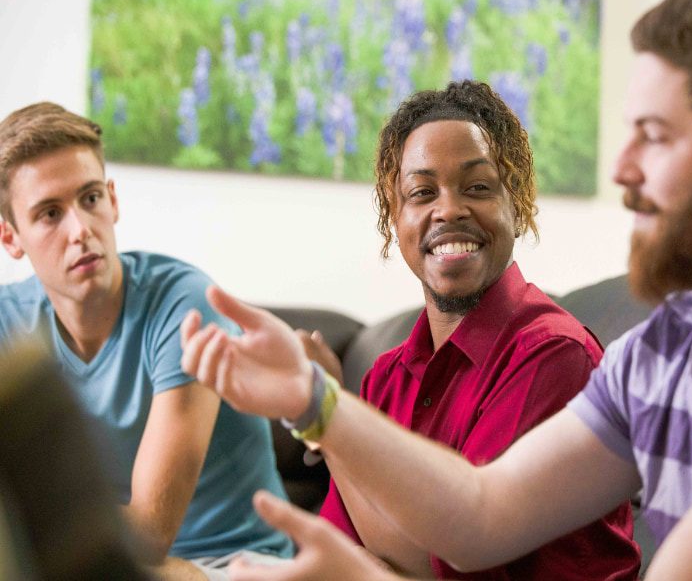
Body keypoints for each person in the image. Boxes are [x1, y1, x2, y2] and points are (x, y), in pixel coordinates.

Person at [182, 0, 692, 579]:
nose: (620, 168)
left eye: (655, 137)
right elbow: (483, 514)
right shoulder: (660, 352)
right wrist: (313, 400)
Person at [196, 80, 640, 580]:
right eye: (422, 192)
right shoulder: (385, 378)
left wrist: (322, 409)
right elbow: (340, 554)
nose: (447, 209)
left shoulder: (555, 356)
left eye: (477, 187)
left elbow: (448, 555)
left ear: (517, 204)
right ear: (395, 219)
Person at [0, 103, 293, 580]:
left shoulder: (185, 306)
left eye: (90, 198)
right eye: (50, 214)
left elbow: (149, 537)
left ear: (113, 201)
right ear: (11, 238)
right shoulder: (8, 322)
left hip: (235, 564)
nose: (80, 231)